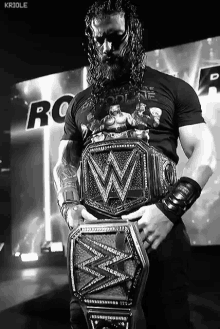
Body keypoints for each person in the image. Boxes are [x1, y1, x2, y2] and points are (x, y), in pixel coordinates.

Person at [53, 0, 217, 328]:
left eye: (115, 37)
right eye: (99, 39)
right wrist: (70, 207)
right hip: (94, 241)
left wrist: (170, 208)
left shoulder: (172, 89)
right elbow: (64, 163)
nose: (107, 47)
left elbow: (205, 149)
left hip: (155, 235)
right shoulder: (80, 103)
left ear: (134, 35)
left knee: (168, 319)